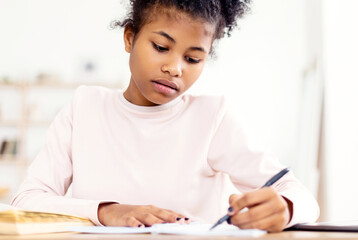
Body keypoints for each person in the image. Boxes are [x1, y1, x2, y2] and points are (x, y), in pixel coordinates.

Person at [11, 0, 319, 233]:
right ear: (129, 38)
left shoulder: (212, 117)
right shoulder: (84, 108)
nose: (175, 68)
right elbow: (26, 200)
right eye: (161, 47)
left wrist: (286, 208)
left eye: (193, 58)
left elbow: (301, 196)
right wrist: (107, 212)